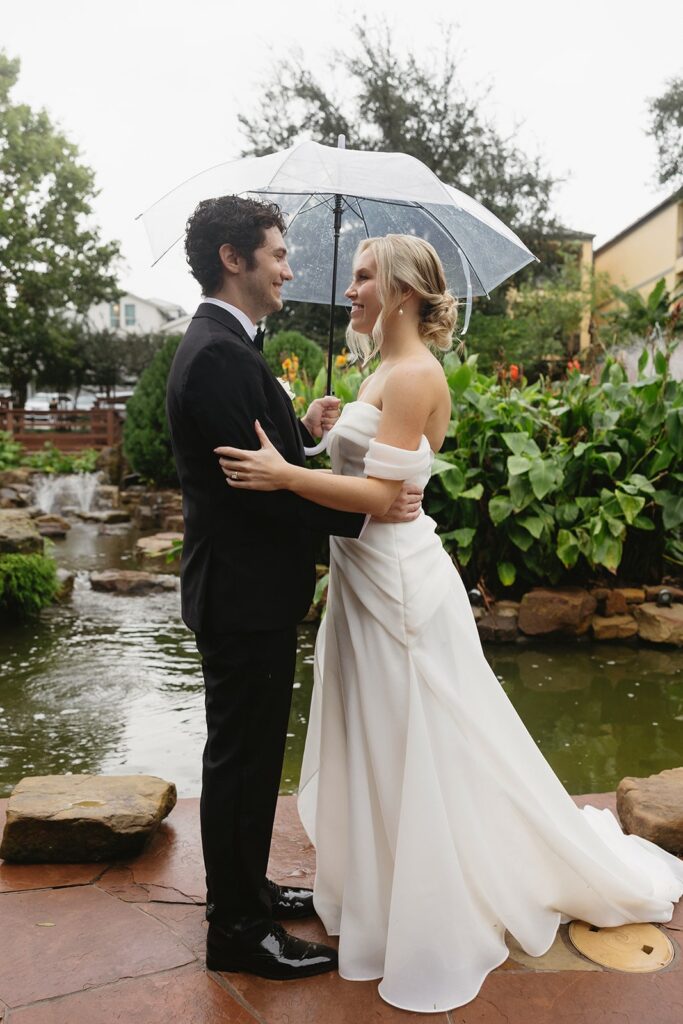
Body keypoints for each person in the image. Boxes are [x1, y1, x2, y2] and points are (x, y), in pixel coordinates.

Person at [215, 233, 683, 1013]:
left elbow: (377, 499)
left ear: (400, 290)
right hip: (362, 582)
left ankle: (435, 904)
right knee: (382, 740)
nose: (350, 290)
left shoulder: (416, 374)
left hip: (398, 585)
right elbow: (362, 476)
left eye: (363, 277)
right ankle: (387, 885)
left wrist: (285, 473)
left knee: (418, 741)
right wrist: (317, 427)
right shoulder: (375, 372)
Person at [165, 198, 422, 982]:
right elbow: (256, 490)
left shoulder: (231, 347)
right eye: (277, 253)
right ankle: (236, 930)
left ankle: (250, 889)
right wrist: (370, 513)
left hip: (250, 592)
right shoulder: (216, 353)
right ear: (232, 258)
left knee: (247, 758)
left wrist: (304, 431)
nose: (288, 267)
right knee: (240, 763)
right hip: (241, 594)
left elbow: (264, 452)